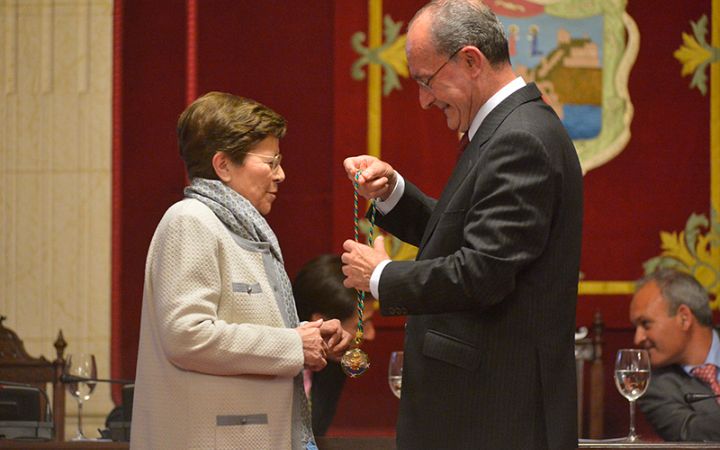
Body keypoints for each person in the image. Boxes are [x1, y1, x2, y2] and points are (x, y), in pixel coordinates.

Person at [340, 1, 583, 448]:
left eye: (426, 81)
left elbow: (481, 272)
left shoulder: (520, 137)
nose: (424, 100)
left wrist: (380, 276)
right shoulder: (507, 128)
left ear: (470, 60)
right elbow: (474, 236)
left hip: (494, 417)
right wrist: (394, 192)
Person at [131, 92, 352, 450]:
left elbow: (235, 326)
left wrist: (309, 336)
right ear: (223, 166)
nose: (281, 174)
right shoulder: (190, 221)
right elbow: (187, 336)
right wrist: (293, 344)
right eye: (271, 161)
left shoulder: (236, 227)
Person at [629, 268, 720, 441]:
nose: (637, 338)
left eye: (646, 324)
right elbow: (691, 434)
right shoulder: (653, 386)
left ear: (684, 318)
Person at [293, 254, 377, 436]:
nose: (371, 334)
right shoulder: (273, 368)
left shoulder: (334, 363)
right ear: (324, 323)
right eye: (362, 325)